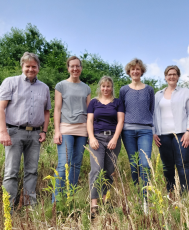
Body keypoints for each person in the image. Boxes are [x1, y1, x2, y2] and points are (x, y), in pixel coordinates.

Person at [0, 52, 51, 209]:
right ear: (22, 66)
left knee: (32, 172)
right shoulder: (10, 82)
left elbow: (47, 111)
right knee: (11, 172)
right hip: (14, 132)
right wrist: (3, 132)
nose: (31, 69)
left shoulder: (44, 88)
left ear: (38, 68)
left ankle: (29, 207)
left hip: (35, 134)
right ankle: (8, 208)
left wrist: (44, 131)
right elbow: (0, 107)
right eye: (28, 66)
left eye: (34, 66)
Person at [153, 65, 189, 196]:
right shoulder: (158, 95)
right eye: (169, 74)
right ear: (165, 77)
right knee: (167, 166)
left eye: (174, 74)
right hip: (163, 135)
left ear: (178, 76)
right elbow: (153, 115)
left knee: (182, 164)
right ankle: (171, 193)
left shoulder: (185, 92)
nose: (171, 76)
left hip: (182, 133)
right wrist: (154, 132)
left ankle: (185, 196)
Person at [52, 56, 91, 202]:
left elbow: (89, 112)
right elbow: (57, 109)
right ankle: (56, 202)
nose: (75, 69)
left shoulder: (86, 88)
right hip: (66, 128)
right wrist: (57, 131)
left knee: (76, 165)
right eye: (72, 66)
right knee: (64, 164)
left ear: (81, 68)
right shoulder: (61, 86)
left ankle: (70, 199)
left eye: (77, 66)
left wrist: (89, 133)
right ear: (68, 68)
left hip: (82, 129)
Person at [119, 58, 154, 211]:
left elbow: (151, 109)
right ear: (129, 72)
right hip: (128, 131)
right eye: (132, 69)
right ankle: (136, 195)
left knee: (145, 164)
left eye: (138, 69)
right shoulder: (124, 90)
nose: (135, 71)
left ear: (141, 71)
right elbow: (121, 110)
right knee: (134, 165)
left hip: (145, 130)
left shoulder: (149, 89)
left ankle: (146, 198)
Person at [87, 76, 125, 218]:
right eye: (103, 86)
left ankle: (106, 201)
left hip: (113, 139)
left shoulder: (117, 102)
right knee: (96, 170)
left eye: (108, 86)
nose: (106, 89)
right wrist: (91, 138)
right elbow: (89, 120)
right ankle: (94, 205)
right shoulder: (93, 103)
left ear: (112, 88)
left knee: (109, 171)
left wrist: (115, 138)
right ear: (100, 87)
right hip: (97, 138)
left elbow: (120, 121)